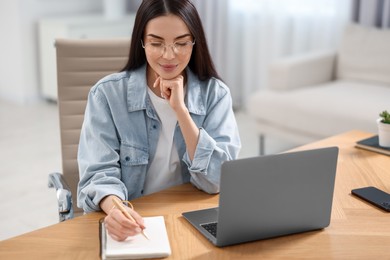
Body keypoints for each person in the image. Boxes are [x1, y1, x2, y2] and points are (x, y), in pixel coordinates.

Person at [77, 0, 241, 241]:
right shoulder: (106, 95)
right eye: (156, 43)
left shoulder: (215, 95)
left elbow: (217, 180)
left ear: (195, 43)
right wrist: (116, 210)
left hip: (188, 218)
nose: (168, 55)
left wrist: (182, 111)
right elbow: (98, 174)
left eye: (181, 43)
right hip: (135, 218)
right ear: (141, 41)